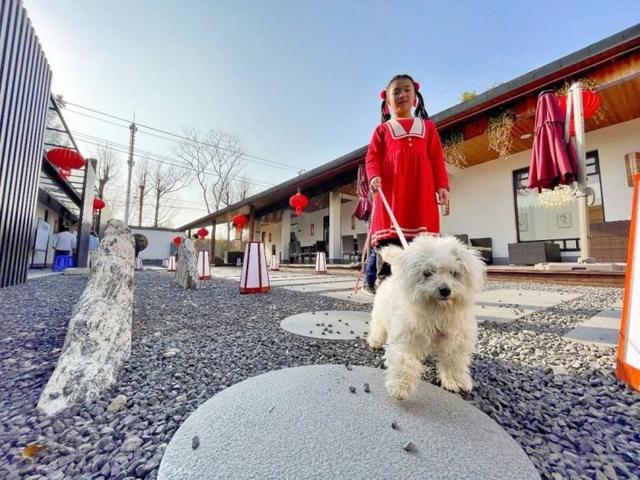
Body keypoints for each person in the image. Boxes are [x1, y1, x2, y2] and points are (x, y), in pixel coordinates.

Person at [365, 74, 450, 277]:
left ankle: (421, 294)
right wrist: (374, 176)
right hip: (391, 194)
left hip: (422, 193)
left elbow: (437, 158)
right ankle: (386, 289)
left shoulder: (428, 127)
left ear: (415, 97)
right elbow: (372, 157)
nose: (402, 94)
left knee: (423, 250)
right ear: (387, 100)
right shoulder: (382, 130)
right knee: (389, 248)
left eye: (406, 89)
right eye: (396, 91)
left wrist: (442, 186)